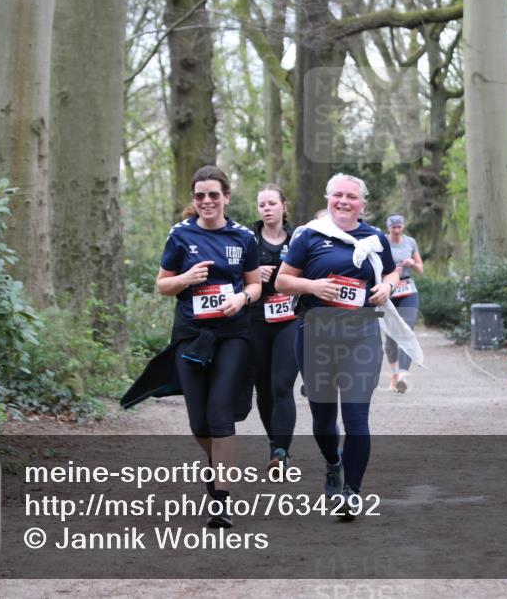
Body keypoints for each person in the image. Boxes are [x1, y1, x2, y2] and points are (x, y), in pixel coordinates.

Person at [276, 173, 421, 519]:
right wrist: (312, 287)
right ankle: (333, 463)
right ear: (328, 199)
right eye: (338, 195)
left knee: (356, 417)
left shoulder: (375, 237)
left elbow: (391, 273)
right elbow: (282, 280)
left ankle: (352, 491)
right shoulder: (309, 235)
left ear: (362, 204)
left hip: (361, 334)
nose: (344, 201)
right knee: (323, 422)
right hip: (315, 334)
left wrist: (387, 287)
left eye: (351, 196)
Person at [153, 165, 261, 528]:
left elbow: (255, 284)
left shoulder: (243, 237)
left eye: (214, 194)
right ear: (194, 199)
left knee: (219, 413)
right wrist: (185, 278)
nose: (207, 201)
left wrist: (242, 299)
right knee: (199, 422)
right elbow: (163, 285)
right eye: (200, 195)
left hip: (233, 334)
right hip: (191, 335)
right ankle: (219, 462)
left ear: (226, 197)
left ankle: (221, 500)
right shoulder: (180, 235)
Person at [248, 183, 299, 474]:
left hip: (289, 319)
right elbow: (229, 274)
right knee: (264, 389)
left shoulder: (299, 238)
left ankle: (281, 452)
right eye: (262, 205)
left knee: (282, 385)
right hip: (256, 319)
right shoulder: (247, 239)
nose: (266, 209)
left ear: (283, 206)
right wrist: (254, 273)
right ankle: (273, 441)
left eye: (271, 203)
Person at [383, 214, 424, 393]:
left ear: (403, 227)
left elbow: (420, 268)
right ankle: (395, 374)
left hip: (408, 290)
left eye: (399, 227)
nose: (397, 230)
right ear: (388, 227)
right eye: (394, 227)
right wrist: (392, 270)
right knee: (391, 336)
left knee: (407, 330)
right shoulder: (382, 242)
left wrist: (412, 263)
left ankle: (403, 376)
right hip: (388, 290)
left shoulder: (410, 242)